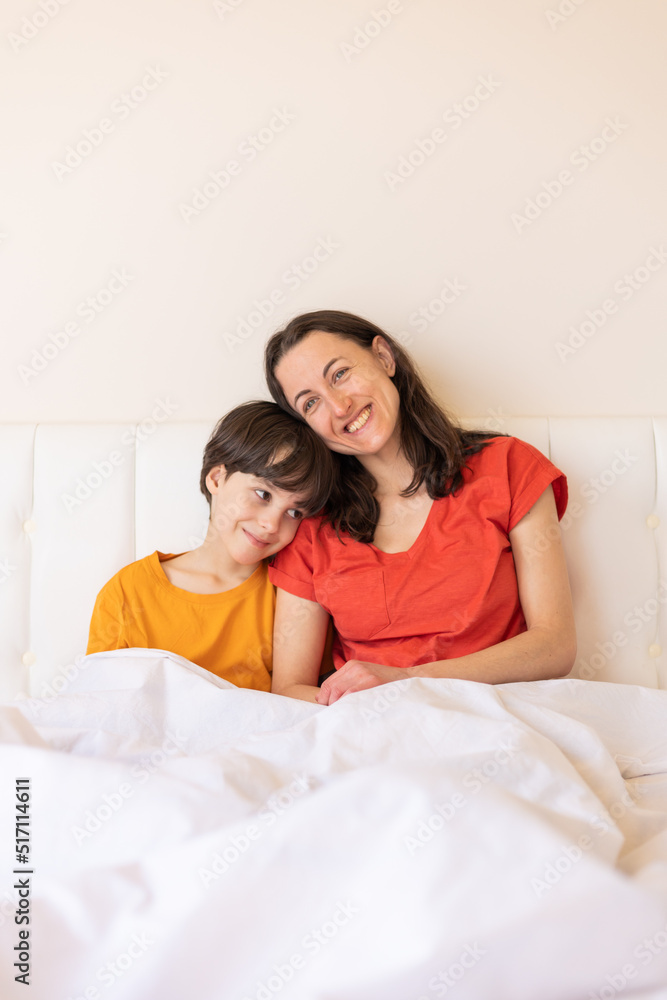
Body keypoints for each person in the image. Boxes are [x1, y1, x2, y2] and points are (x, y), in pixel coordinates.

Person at [264, 310, 577, 704]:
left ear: (383, 357)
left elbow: (554, 645)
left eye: (340, 374)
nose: (339, 406)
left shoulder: (508, 466)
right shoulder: (311, 527)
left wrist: (409, 679)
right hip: (372, 731)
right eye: (311, 403)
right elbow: (290, 691)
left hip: (498, 720)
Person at [86, 400, 336, 691]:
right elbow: (102, 710)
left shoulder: (295, 599)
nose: (271, 524)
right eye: (262, 494)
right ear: (217, 478)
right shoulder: (128, 592)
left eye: (294, 512)